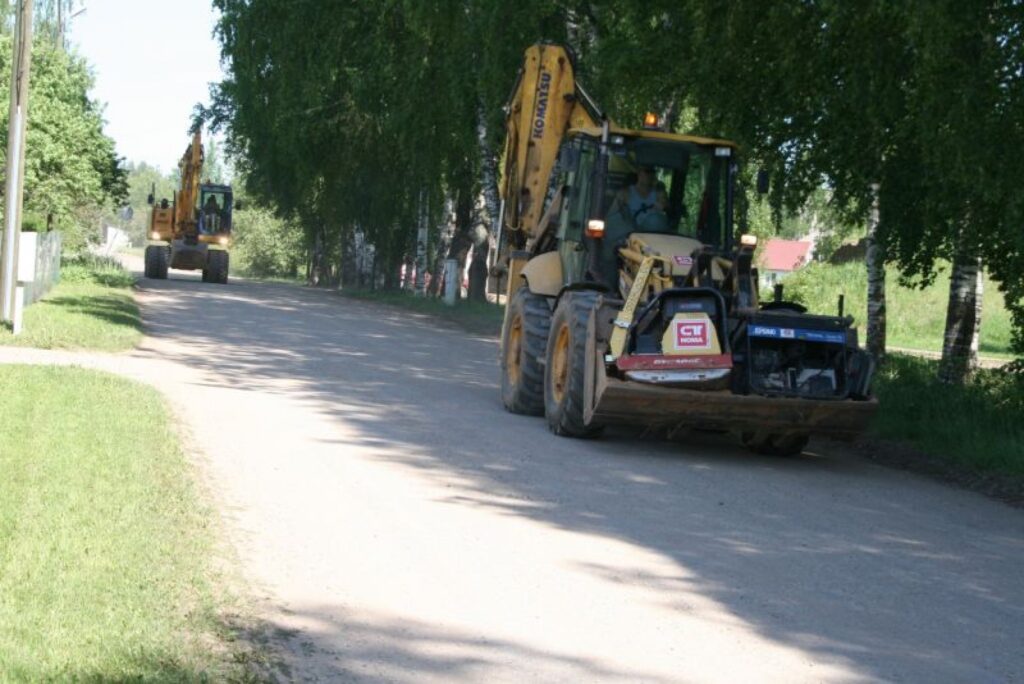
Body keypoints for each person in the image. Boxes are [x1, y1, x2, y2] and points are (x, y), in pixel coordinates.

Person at [612, 165, 668, 230]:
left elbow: (667, 209)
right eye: (647, 171)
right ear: (638, 172)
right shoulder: (625, 193)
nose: (650, 175)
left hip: (654, 235)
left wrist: (664, 205)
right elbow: (612, 216)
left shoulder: (659, 193)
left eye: (653, 171)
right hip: (631, 235)